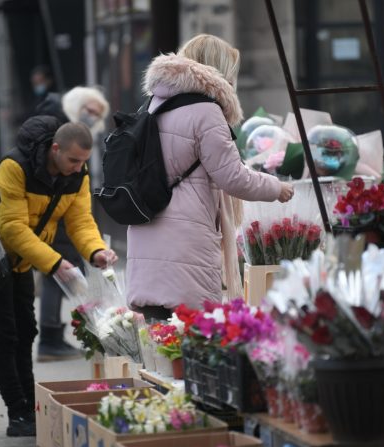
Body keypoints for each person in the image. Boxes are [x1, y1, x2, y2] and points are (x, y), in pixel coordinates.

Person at [126, 34, 294, 319]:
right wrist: (276, 188)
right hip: (185, 240)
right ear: (219, 71)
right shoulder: (205, 111)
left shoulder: (152, 105)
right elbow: (233, 177)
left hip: (146, 232)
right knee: (192, 334)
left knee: (162, 337)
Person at [0, 118, 117, 436]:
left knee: (26, 332)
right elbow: (12, 228)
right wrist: (55, 263)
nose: (77, 168)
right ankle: (18, 413)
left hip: (21, 263)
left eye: (84, 162)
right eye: (73, 160)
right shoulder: (14, 167)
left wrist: (96, 251)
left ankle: (27, 410)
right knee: (6, 337)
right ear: (55, 149)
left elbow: (81, 220)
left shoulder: (78, 175)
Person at [33, 86, 110, 361]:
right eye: (89, 110)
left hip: (67, 209)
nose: (92, 116)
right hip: (56, 211)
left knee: (59, 273)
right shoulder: (58, 126)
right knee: (58, 273)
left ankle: (52, 338)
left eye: (96, 114)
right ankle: (51, 340)